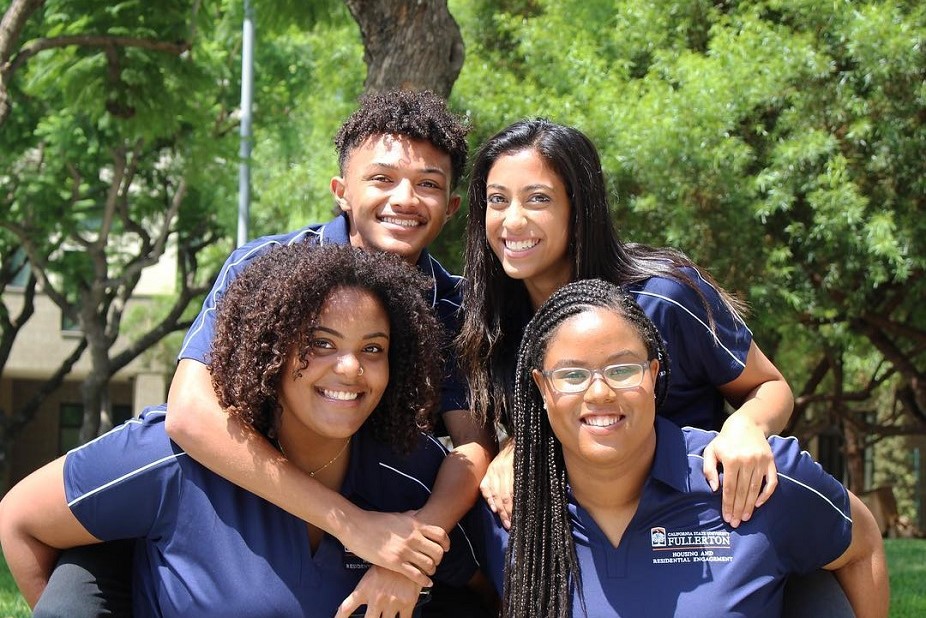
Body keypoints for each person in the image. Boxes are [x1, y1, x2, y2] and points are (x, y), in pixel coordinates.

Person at [31, 90, 496, 617]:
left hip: (361, 517)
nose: (405, 199)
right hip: (216, 505)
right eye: (382, 179)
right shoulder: (268, 265)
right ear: (341, 191)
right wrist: (351, 524)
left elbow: (471, 446)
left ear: (453, 206)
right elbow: (191, 414)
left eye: (429, 184)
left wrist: (411, 546)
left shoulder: (457, 304)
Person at [0, 244, 482, 616]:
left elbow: (488, 584)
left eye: (373, 349)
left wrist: (412, 569)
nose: (350, 368)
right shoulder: (172, 461)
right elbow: (20, 521)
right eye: (320, 342)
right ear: (272, 349)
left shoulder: (412, 476)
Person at [475, 278, 888, 617]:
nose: (599, 392)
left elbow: (861, 542)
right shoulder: (509, 511)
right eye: (571, 375)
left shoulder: (752, 478)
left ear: (654, 375)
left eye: (622, 369)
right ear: (542, 388)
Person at [458, 119, 793, 530]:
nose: (512, 222)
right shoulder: (491, 322)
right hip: (586, 537)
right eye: (497, 200)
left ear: (579, 209)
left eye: (538, 199)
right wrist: (516, 445)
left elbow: (771, 387)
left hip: (704, 522)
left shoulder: (665, 298)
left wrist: (746, 426)